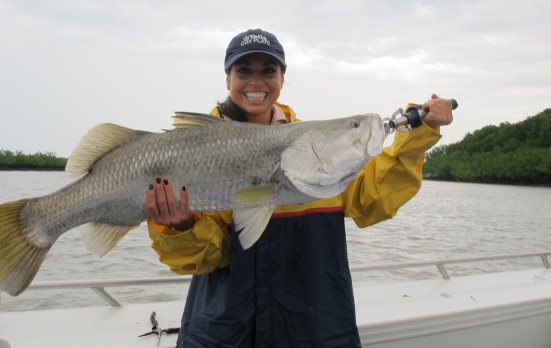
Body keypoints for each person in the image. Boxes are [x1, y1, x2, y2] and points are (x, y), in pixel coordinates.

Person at [145, 28, 453, 348]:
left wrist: (420, 133)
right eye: (243, 70)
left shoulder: (321, 160)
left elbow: (372, 200)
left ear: (282, 78)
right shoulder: (192, 154)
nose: (256, 80)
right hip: (223, 334)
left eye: (268, 70)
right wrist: (180, 226)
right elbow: (203, 260)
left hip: (313, 331)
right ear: (227, 78)